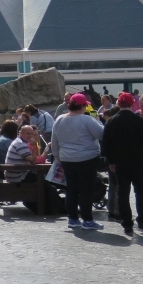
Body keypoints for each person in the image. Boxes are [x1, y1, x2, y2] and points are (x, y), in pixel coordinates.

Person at [51, 93, 105, 230]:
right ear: (82, 106)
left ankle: (73, 218)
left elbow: (54, 141)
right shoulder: (87, 120)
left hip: (66, 158)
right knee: (86, 189)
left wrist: (57, 156)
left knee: (72, 189)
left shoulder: (59, 119)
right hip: (87, 157)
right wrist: (97, 119)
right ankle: (87, 219)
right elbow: (100, 134)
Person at [103, 92, 143, 236]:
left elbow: (106, 144)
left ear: (119, 104)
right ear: (132, 104)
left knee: (123, 193)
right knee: (141, 192)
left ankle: (127, 223)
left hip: (119, 163)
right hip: (139, 163)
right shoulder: (140, 120)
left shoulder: (112, 121)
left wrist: (110, 161)